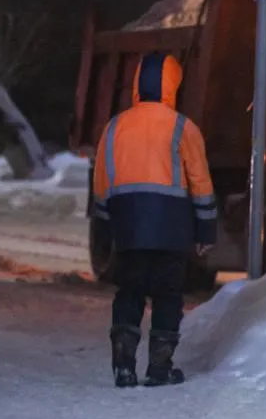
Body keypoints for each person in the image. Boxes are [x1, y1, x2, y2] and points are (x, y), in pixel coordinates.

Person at [92, 52, 216, 387]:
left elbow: (102, 180)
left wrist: (104, 225)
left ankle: (123, 364)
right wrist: (205, 229)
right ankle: (159, 368)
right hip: (172, 227)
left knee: (130, 291)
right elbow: (201, 182)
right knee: (168, 294)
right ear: (173, 85)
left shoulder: (115, 126)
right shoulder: (182, 127)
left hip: (128, 226)